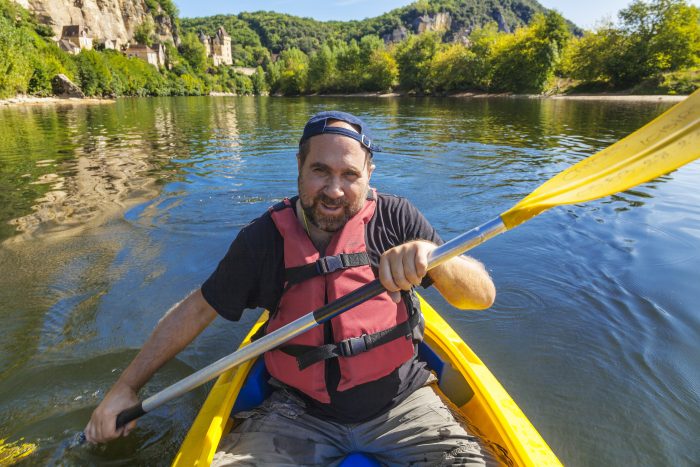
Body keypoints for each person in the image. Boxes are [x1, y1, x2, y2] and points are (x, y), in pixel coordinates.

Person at [85, 111, 496, 466]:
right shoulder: (263, 239)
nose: (334, 190)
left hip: (404, 406)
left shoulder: (397, 218)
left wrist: (436, 258)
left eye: (349, 175)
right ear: (299, 165)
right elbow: (197, 310)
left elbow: (482, 297)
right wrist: (126, 388)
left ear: (369, 174)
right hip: (295, 414)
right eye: (320, 170)